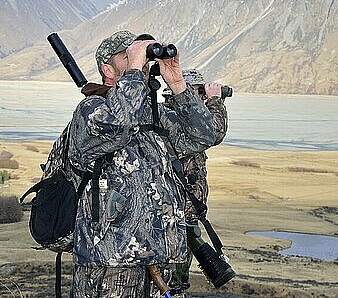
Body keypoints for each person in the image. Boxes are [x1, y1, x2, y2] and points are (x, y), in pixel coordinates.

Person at [67, 30, 216, 298]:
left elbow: (204, 135)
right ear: (107, 70)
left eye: (141, 55)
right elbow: (117, 122)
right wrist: (136, 71)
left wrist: (178, 83)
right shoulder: (91, 110)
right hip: (111, 265)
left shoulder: (156, 115)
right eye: (128, 55)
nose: (141, 60)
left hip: (162, 264)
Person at [166, 69, 229, 296]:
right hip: (175, 214)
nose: (201, 97)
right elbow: (215, 133)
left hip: (186, 213)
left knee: (178, 278)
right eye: (198, 92)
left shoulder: (178, 115)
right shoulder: (173, 116)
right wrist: (214, 101)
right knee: (172, 281)